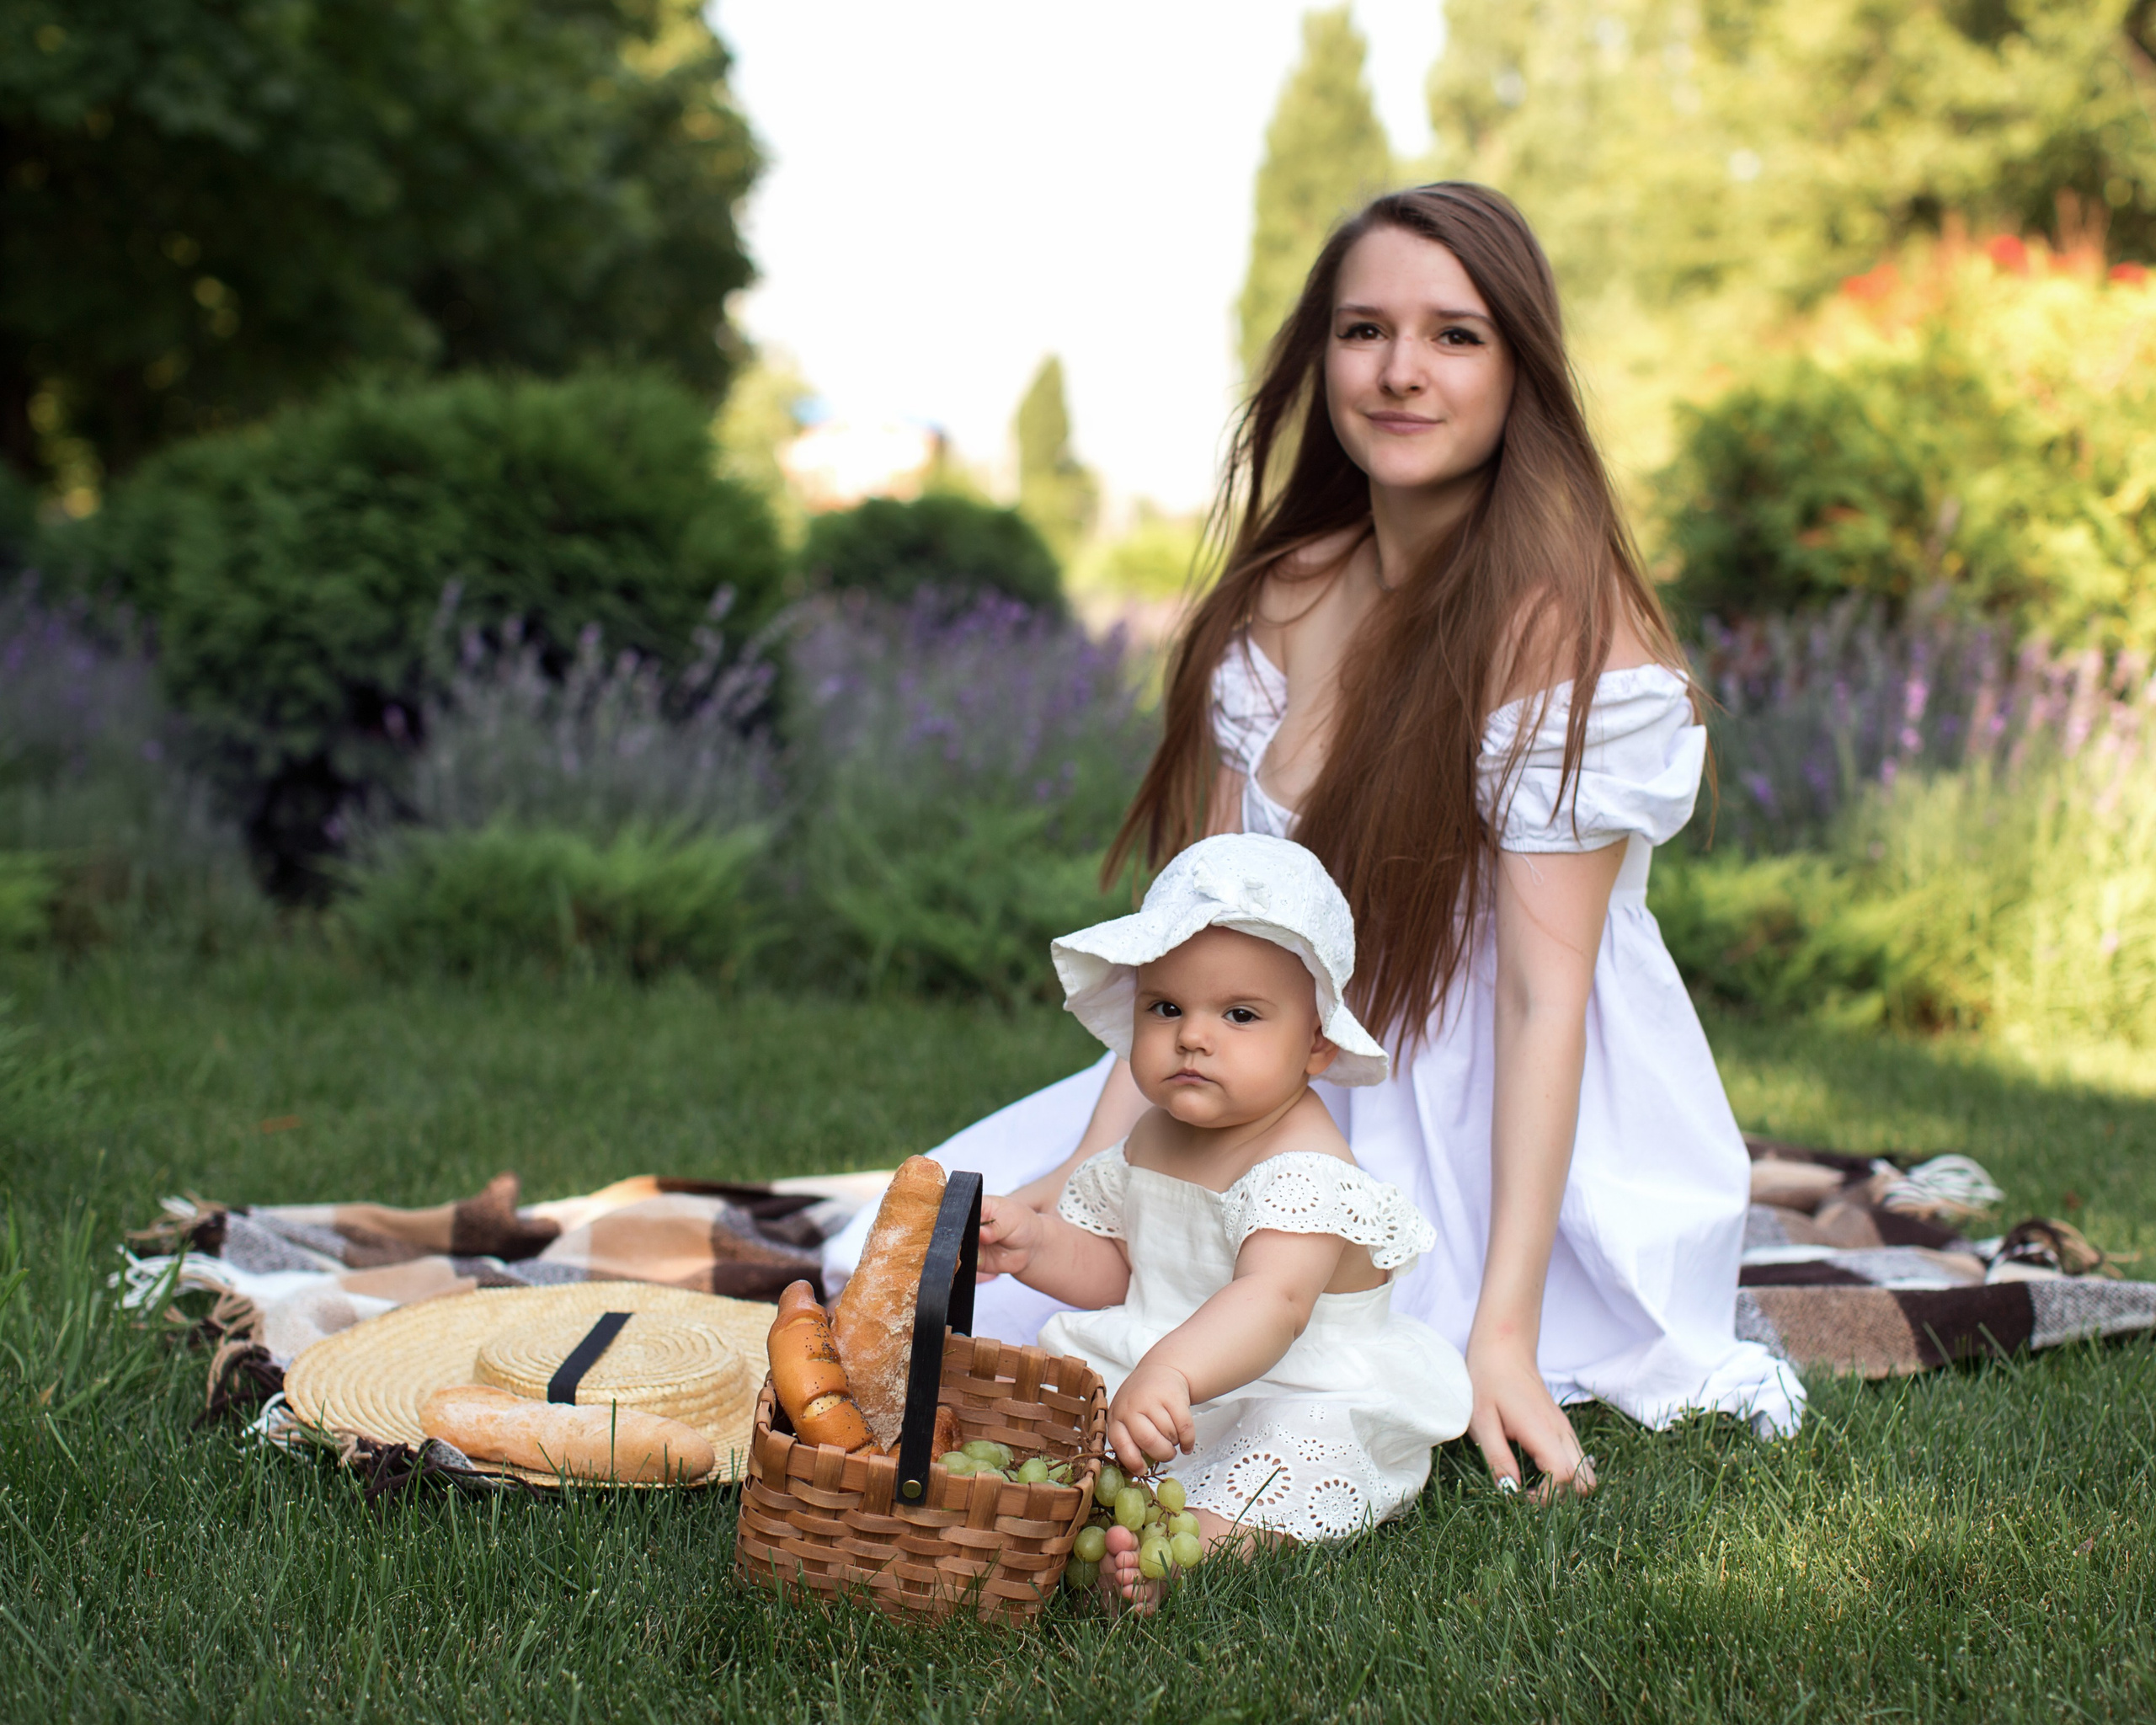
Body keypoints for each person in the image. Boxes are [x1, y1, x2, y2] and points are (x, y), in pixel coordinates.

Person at [825, 182, 1803, 1496]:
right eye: (1364, 331)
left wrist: (1501, 1336)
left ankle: (1507, 1309)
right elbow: (1204, 960)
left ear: (1522, 370)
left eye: (1456, 336)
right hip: (1277, 1060)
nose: (1402, 371)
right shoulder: (1289, 597)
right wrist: (1083, 1179)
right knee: (916, 1268)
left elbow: (1539, 997)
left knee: (1325, 1352)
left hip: (1495, 1109)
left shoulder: (1566, 632)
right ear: (1319, 357)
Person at [978, 833, 1470, 1609]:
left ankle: (1194, 1549)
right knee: (1059, 1413)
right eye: (1166, 1007)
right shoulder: (1152, 1134)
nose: (1193, 1036)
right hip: (1171, 1370)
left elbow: (1272, 1304)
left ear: (1314, 1044)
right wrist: (1036, 1242)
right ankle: (1066, 1518)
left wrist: (1171, 1372)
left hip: (1291, 1382)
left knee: (1286, 1459)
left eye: (1240, 1014)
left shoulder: (1306, 1165)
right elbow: (1123, 1268)